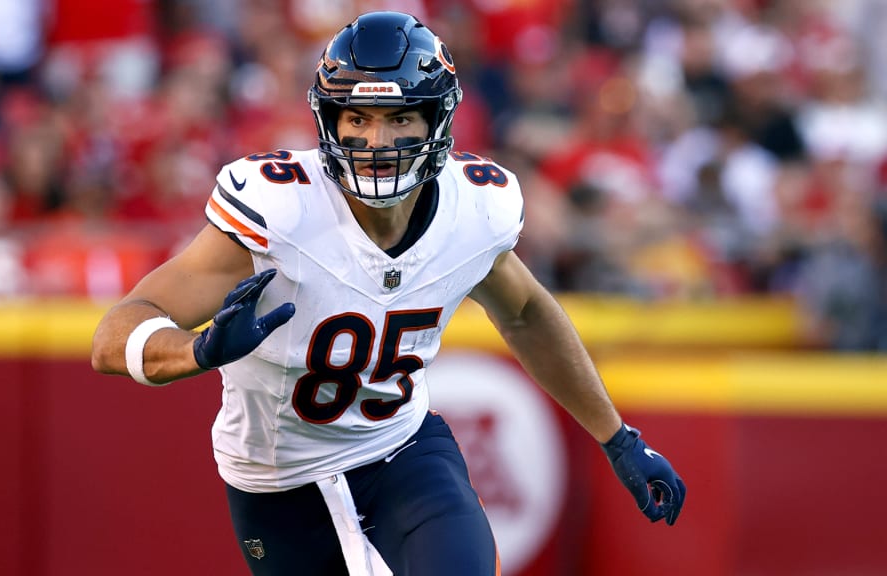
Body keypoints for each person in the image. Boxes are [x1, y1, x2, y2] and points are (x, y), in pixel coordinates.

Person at [91, 11, 686, 576]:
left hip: (401, 449)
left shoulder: (473, 209)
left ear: (437, 123)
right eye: (359, 119)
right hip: (279, 479)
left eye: (400, 119)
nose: (377, 140)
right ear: (331, 123)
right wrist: (194, 352)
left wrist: (618, 438)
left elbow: (528, 314)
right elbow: (114, 335)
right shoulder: (279, 211)